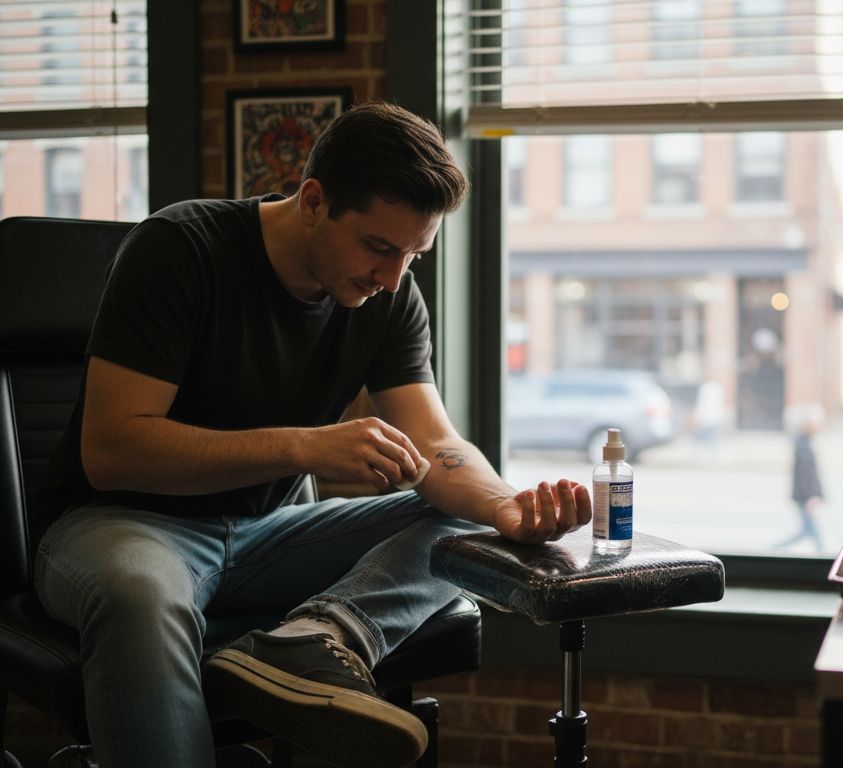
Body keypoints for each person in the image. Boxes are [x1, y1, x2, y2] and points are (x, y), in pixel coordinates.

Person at [33, 101, 591, 768]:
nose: (391, 279)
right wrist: (306, 445)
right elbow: (113, 451)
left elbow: (438, 448)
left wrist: (507, 507)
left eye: (414, 255)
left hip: (264, 537)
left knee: (470, 532)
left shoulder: (388, 298)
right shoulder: (180, 248)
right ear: (314, 201)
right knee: (138, 595)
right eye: (379, 247)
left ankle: (318, 636)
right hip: (118, 526)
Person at [778, 409, 825, 551]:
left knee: (807, 531)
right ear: (806, 425)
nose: (818, 427)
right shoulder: (802, 445)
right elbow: (805, 474)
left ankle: (774, 550)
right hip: (805, 496)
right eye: (815, 424)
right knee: (811, 531)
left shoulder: (803, 442)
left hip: (804, 495)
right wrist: (811, 496)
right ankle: (773, 550)